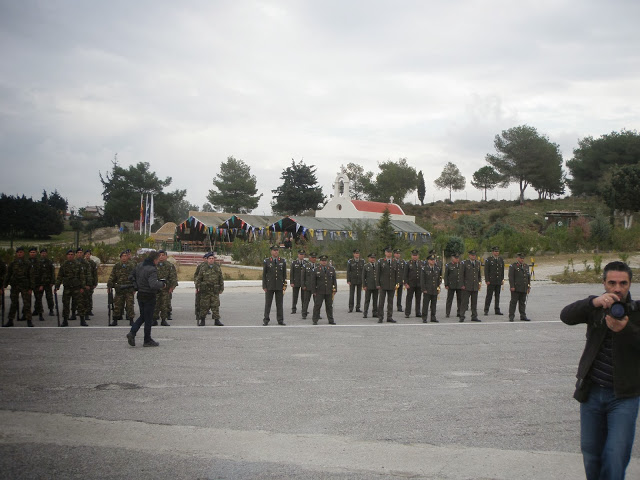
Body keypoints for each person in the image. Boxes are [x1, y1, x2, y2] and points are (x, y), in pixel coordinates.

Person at [560, 261, 640, 480]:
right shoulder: (596, 309)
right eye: (612, 283)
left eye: (623, 283)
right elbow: (566, 316)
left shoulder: (637, 312)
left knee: (616, 455)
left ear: (630, 284)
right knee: (591, 454)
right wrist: (593, 302)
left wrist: (626, 330)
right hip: (592, 392)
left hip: (624, 396)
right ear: (604, 283)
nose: (617, 288)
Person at [126, 251, 165, 347]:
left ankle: (132, 332)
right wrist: (162, 284)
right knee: (148, 318)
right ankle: (147, 339)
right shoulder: (152, 269)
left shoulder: (140, 265)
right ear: (154, 260)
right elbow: (153, 284)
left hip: (141, 294)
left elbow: (131, 276)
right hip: (149, 295)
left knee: (143, 316)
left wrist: (136, 285)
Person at [3, 247, 35, 327]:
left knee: (26, 304)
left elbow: (31, 276)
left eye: (21, 252)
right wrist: (4, 286)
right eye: (18, 252)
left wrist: (31, 287)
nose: (20, 254)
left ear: (24, 253)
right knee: (13, 303)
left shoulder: (27, 263)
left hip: (25, 286)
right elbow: (8, 275)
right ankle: (10, 320)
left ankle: (29, 320)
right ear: (16, 254)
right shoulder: (13, 263)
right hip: (15, 286)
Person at [54, 249, 87, 327]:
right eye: (69, 254)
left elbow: (82, 277)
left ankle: (82, 320)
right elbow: (59, 277)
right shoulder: (64, 265)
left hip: (77, 288)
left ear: (74, 255)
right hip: (67, 288)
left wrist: (82, 287)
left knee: (80, 304)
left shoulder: (78, 264)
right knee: (66, 304)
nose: (70, 256)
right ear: (67, 255)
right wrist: (57, 286)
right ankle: (65, 320)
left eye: (72, 254)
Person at [107, 251, 136, 326]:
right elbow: (112, 276)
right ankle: (115, 320)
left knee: (130, 305)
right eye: (122, 256)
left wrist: (135, 288)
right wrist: (109, 286)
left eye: (125, 256)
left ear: (127, 257)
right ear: (120, 257)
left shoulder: (131, 265)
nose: (124, 257)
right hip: (120, 289)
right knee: (117, 305)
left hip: (129, 289)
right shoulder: (117, 266)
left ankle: (131, 320)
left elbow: (135, 277)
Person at [195, 252, 224, 326]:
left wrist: (221, 288)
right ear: (207, 259)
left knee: (215, 305)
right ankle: (202, 320)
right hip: (205, 290)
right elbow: (199, 278)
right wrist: (197, 287)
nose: (211, 260)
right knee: (204, 306)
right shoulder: (203, 268)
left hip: (214, 290)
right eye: (210, 258)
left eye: (212, 258)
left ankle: (216, 320)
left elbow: (220, 278)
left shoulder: (217, 267)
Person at [262, 245, 287, 325]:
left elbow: (284, 275)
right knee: (268, 304)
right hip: (270, 285)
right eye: (274, 250)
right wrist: (264, 286)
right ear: (271, 252)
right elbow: (264, 275)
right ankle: (266, 319)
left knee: (279, 304)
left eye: (277, 250)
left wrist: (284, 285)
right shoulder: (267, 261)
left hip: (279, 286)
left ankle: (280, 320)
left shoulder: (282, 261)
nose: (276, 252)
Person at [152, 250, 177, 326]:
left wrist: (172, 287)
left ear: (166, 256)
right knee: (155, 304)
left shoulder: (169, 266)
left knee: (164, 305)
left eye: (163, 255)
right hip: (155, 288)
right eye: (160, 255)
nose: (161, 257)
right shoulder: (154, 265)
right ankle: (154, 319)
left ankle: (163, 319)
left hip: (166, 288)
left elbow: (173, 277)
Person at [311, 255, 337, 325]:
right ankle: (315, 320)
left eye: (325, 261)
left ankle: (331, 320)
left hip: (329, 290)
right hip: (319, 291)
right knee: (317, 305)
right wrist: (313, 291)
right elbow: (313, 281)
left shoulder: (331, 269)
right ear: (320, 261)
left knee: (329, 306)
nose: (324, 262)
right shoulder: (316, 269)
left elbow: (334, 280)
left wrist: (335, 289)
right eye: (322, 261)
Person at [376, 246, 398, 323]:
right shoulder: (381, 261)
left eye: (390, 252)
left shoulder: (394, 261)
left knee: (390, 302)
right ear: (385, 253)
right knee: (381, 302)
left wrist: (396, 284)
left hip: (391, 284)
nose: (389, 253)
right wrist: (378, 284)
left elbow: (396, 274)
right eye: (388, 252)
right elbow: (378, 273)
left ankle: (389, 317)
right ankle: (380, 317)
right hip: (383, 284)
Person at [460, 250, 482, 322]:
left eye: (474, 255)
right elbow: (461, 275)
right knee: (464, 302)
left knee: (474, 302)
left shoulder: (478, 263)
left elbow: (479, 275)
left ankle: (474, 316)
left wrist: (479, 283)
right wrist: (462, 284)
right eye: (472, 255)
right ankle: (462, 316)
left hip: (474, 286)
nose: (473, 256)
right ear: (469, 256)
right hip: (467, 286)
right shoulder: (465, 263)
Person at [508, 253, 531, 322]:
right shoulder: (513, 266)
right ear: (517, 258)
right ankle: (511, 316)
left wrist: (528, 286)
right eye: (521, 258)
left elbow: (528, 277)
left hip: (523, 287)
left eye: (523, 258)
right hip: (516, 287)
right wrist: (512, 286)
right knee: (513, 302)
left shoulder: (526, 266)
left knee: (522, 303)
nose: (522, 259)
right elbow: (511, 277)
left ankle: (523, 315)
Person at [484, 246, 505, 316]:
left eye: (497, 251)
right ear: (493, 252)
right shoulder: (489, 260)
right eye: (495, 251)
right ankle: (486, 309)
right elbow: (486, 271)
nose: (497, 253)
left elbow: (502, 271)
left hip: (498, 280)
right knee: (489, 296)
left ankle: (497, 309)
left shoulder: (501, 260)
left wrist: (502, 279)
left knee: (497, 296)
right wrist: (487, 280)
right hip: (491, 280)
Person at [421, 255, 441, 323]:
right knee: (425, 304)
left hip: (434, 289)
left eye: (434, 260)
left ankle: (433, 317)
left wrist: (438, 287)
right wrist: (424, 289)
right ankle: (424, 317)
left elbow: (438, 279)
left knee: (434, 304)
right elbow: (422, 280)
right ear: (428, 261)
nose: (433, 261)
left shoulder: (437, 269)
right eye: (431, 260)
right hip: (427, 289)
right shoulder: (424, 269)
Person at [403, 249, 422, 318]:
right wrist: (405, 283)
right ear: (411, 256)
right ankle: (407, 313)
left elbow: (422, 274)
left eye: (416, 255)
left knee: (418, 299)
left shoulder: (421, 263)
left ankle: (418, 312)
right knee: (409, 298)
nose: (415, 257)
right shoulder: (408, 263)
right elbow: (405, 274)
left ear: (418, 256)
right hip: (410, 284)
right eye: (413, 255)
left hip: (419, 284)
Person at [444, 253, 463, 319]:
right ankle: (447, 312)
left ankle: (459, 312)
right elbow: (446, 275)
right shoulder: (448, 265)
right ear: (452, 258)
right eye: (455, 258)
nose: (457, 259)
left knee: (460, 299)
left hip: (459, 285)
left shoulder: (461, 265)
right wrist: (446, 284)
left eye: (457, 258)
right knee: (449, 299)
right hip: (451, 285)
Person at [193, 252, 211, 321]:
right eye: (206, 258)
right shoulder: (200, 266)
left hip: (208, 287)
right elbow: (196, 276)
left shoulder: (212, 266)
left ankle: (206, 311)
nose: (207, 260)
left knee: (208, 301)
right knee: (198, 301)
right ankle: (198, 314)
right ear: (204, 259)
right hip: (201, 286)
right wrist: (197, 285)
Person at [38, 248, 56, 318]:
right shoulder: (38, 262)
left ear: (46, 254)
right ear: (40, 254)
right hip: (40, 283)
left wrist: (52, 281)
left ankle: (51, 310)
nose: (43, 254)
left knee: (49, 297)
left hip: (48, 283)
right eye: (42, 253)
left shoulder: (49, 262)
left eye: (45, 253)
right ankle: (39, 311)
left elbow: (52, 272)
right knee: (39, 298)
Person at [28, 247, 44, 322]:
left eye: (34, 252)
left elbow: (42, 274)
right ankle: (26, 315)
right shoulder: (26, 262)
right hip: (28, 285)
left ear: (36, 253)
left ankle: (40, 314)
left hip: (38, 284)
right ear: (29, 253)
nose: (32, 253)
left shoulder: (39, 262)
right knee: (27, 301)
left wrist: (42, 285)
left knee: (38, 300)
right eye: (31, 252)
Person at [301, 252, 317, 320]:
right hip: (308, 286)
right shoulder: (306, 266)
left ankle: (317, 314)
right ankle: (304, 314)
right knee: (306, 301)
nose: (314, 259)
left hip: (316, 287)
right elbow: (302, 276)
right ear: (310, 258)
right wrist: (303, 285)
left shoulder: (318, 266)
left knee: (317, 302)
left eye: (315, 258)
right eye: (312, 257)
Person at [362, 253, 378, 319]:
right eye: (371, 258)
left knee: (375, 300)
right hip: (368, 286)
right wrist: (364, 285)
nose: (373, 259)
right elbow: (363, 277)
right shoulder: (366, 266)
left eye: (373, 258)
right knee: (367, 300)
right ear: (369, 259)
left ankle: (375, 313)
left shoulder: (377, 265)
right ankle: (365, 313)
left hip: (376, 286)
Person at [289, 250, 306, 314]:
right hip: (296, 282)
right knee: (295, 296)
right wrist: (291, 282)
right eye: (300, 254)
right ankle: (294, 309)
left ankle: (304, 309)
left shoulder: (306, 263)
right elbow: (292, 273)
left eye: (302, 254)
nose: (301, 256)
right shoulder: (294, 263)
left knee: (304, 297)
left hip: (303, 283)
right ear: (298, 255)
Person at [84, 249, 98, 317]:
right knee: (83, 297)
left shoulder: (92, 263)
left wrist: (95, 283)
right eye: (86, 254)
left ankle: (89, 310)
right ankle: (82, 310)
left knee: (89, 297)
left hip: (91, 282)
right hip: (84, 283)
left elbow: (95, 273)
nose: (87, 255)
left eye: (89, 254)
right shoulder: (82, 262)